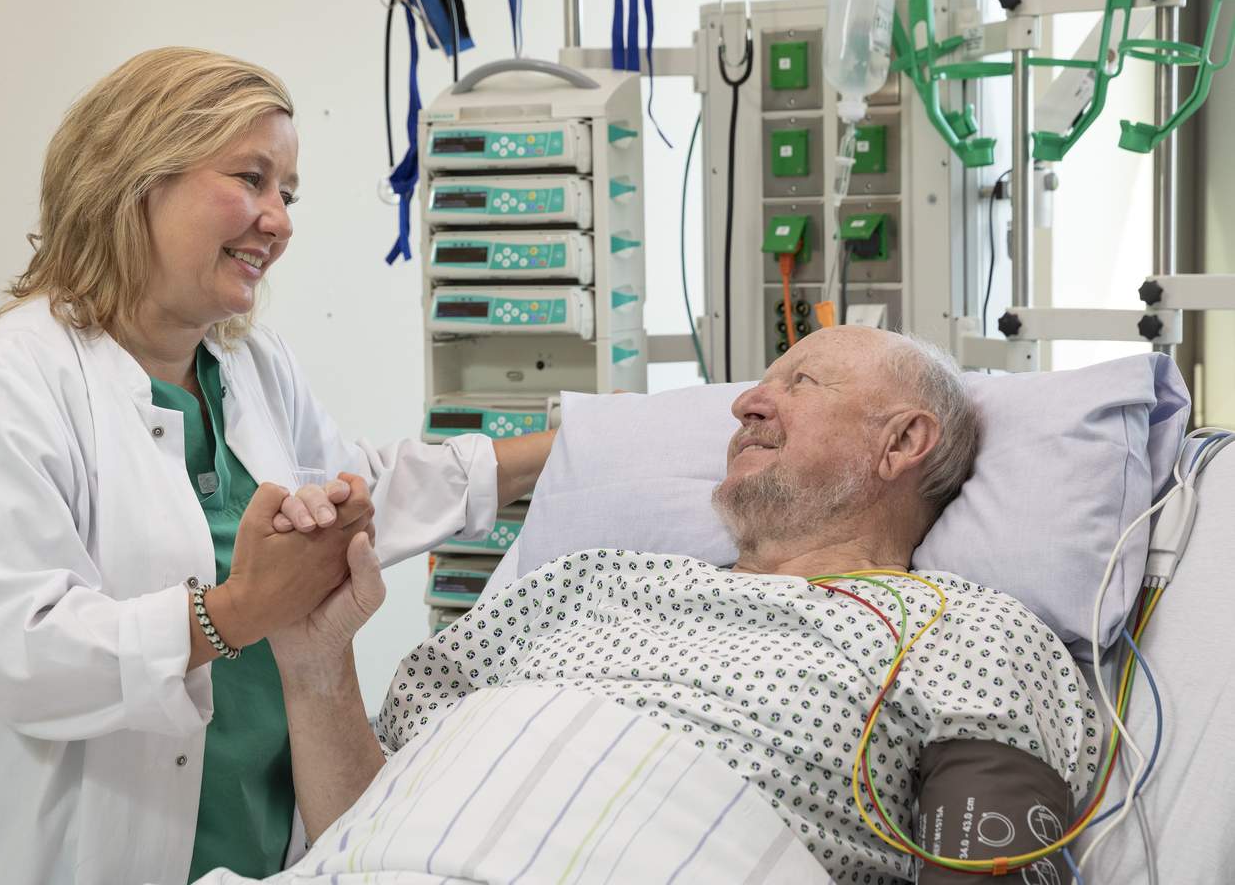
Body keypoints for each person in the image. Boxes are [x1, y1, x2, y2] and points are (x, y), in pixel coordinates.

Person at [0, 47, 555, 885]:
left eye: (288, 193)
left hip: (254, 848)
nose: (280, 220)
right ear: (135, 179)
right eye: (252, 179)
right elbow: (27, 655)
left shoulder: (249, 364)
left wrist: (565, 450)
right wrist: (237, 610)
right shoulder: (0, 390)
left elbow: (353, 493)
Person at [207, 327, 1102, 885]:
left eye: (801, 383)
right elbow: (365, 830)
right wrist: (316, 661)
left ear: (903, 442)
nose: (746, 403)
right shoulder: (579, 584)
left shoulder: (960, 630)